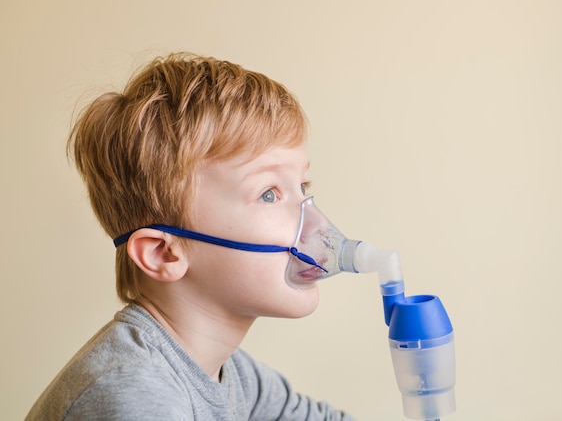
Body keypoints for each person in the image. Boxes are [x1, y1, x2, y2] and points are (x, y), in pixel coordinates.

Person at [26, 53, 354, 420]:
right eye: (268, 193)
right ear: (164, 253)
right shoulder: (134, 393)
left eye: (302, 185)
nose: (316, 224)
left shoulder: (236, 377)